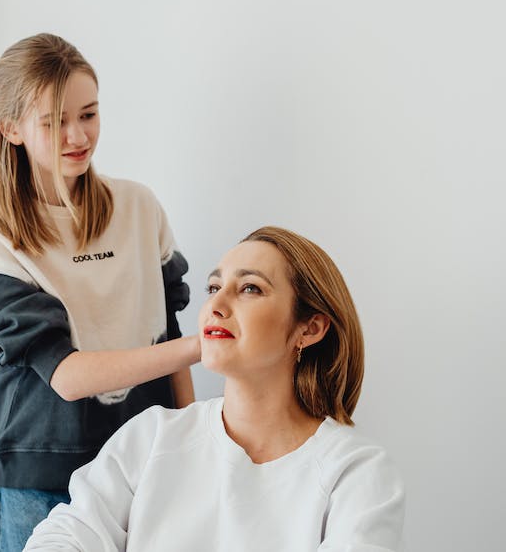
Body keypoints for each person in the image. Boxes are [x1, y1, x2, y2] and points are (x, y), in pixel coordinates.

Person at [0, 33, 200, 552]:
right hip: (44, 485)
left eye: (88, 115)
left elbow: (169, 331)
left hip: (145, 466)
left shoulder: (138, 208)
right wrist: (212, 344)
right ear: (11, 129)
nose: (77, 135)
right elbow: (67, 377)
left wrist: (192, 441)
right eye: (53, 121)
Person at [24, 226, 405, 551]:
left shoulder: (355, 471)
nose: (215, 305)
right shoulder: (152, 436)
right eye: (214, 286)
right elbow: (67, 534)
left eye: (251, 289)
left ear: (310, 329)